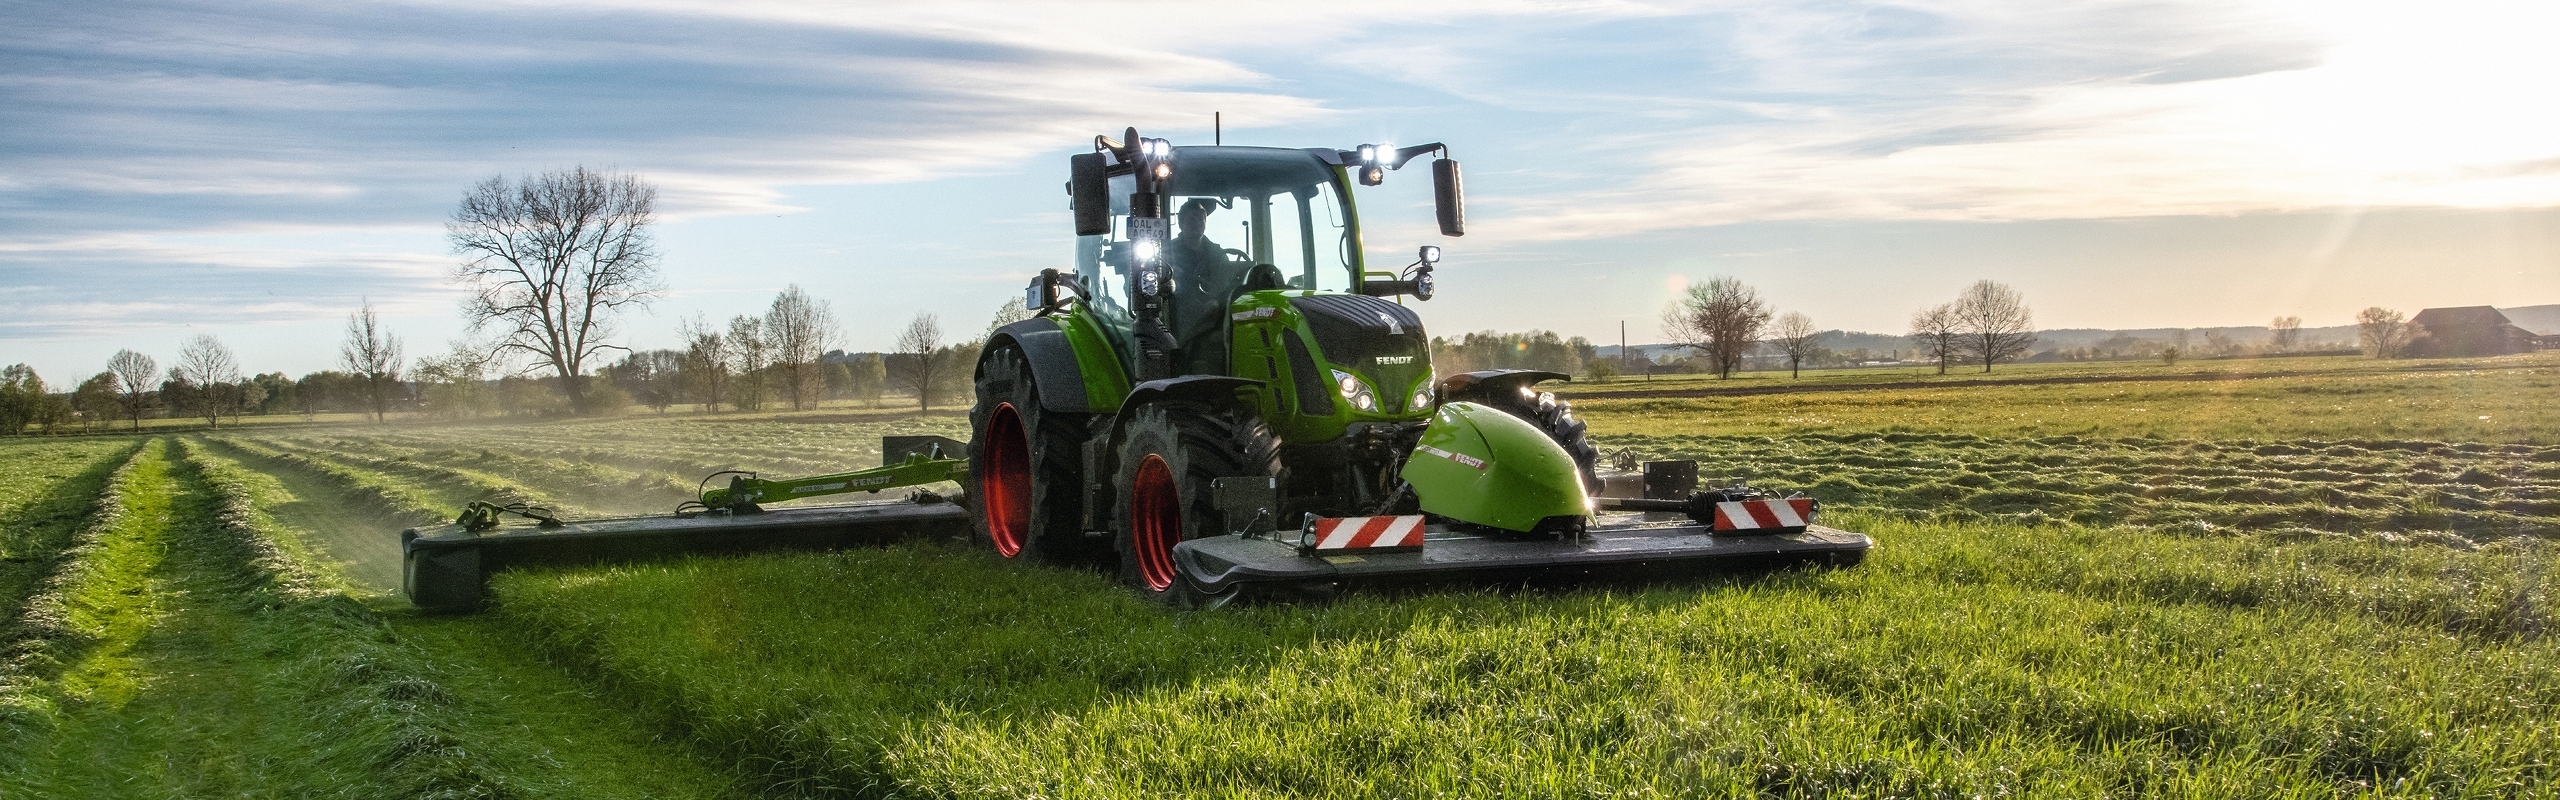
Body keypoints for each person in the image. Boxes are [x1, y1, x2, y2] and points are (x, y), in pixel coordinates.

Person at [1168, 198, 1246, 373]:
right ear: (1181, 223)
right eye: (1191, 219)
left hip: (1215, 314)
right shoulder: (1168, 252)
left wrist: (1217, 301)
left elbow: (1227, 283)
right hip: (1178, 316)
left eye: (1201, 219)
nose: (1197, 223)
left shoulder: (1217, 253)